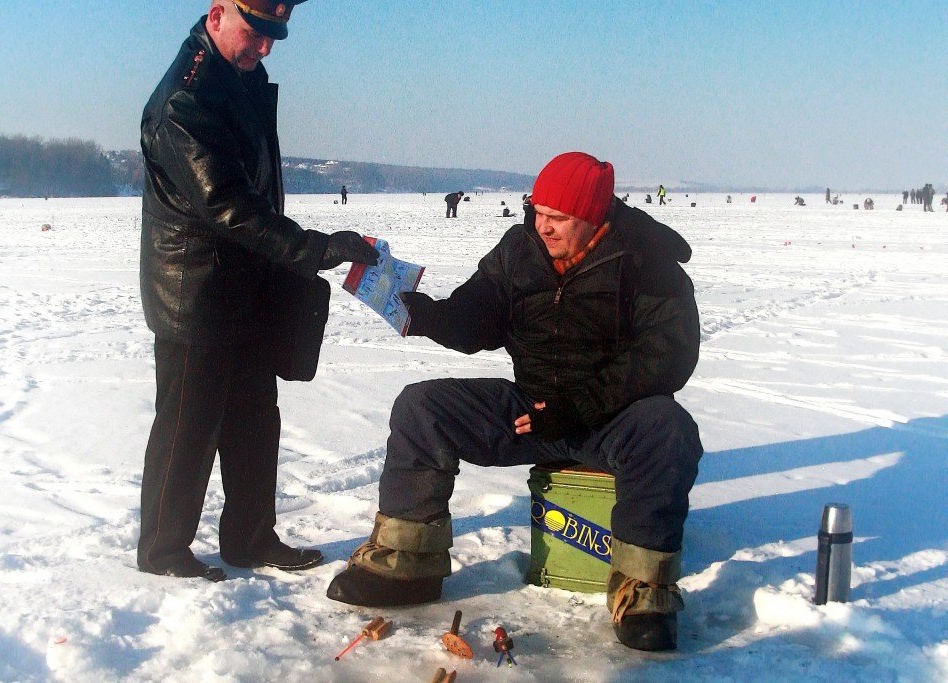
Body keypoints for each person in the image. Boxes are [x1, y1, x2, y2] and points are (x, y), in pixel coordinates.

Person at [326, 152, 703, 653]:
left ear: (593, 217)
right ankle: (407, 564)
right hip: (530, 411)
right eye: (538, 212)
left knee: (669, 429)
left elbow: (668, 357)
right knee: (423, 407)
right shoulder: (518, 248)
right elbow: (477, 318)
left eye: (558, 218)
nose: (542, 227)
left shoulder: (646, 263)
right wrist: (431, 317)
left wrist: (582, 405)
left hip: (610, 416)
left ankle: (643, 593)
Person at [137, 0, 379, 582]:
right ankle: (164, 551)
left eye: (276, 36)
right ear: (218, 13)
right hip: (194, 292)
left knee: (254, 417)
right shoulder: (184, 100)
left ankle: (250, 537)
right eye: (256, 33)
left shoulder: (239, 77)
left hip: (246, 285)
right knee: (188, 424)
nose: (265, 47)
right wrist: (315, 249)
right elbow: (227, 206)